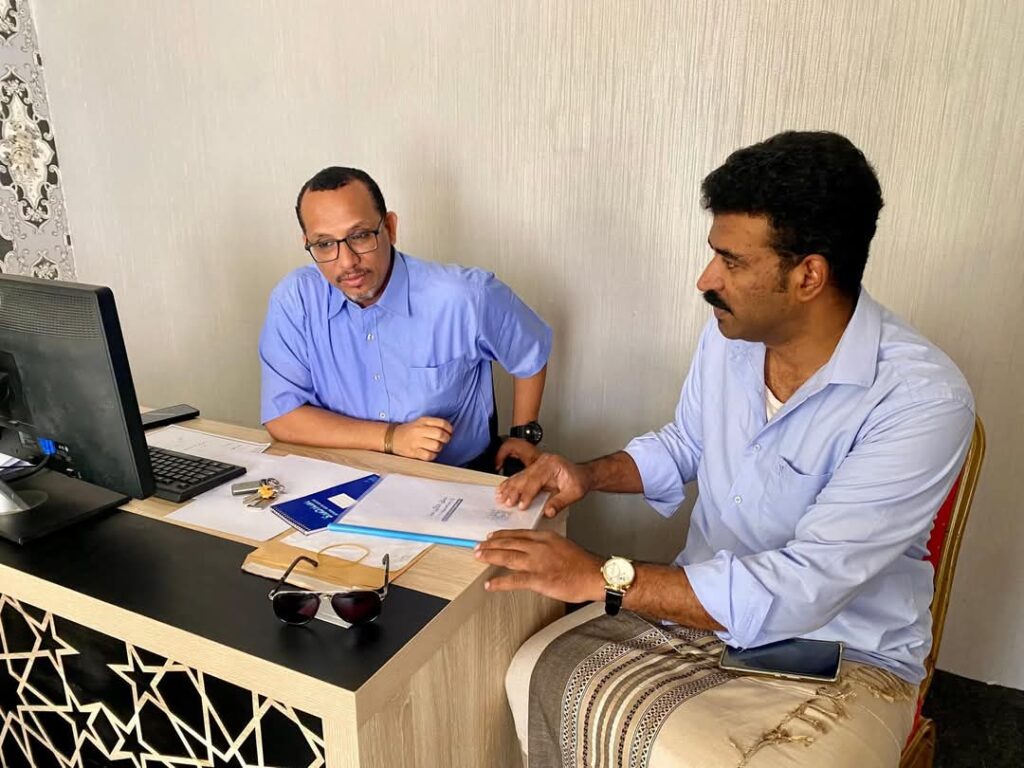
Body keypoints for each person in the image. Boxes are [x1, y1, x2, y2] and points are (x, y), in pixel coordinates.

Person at [476, 132, 975, 766]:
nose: (706, 280)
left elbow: (803, 588)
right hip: (701, 615)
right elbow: (687, 442)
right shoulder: (732, 334)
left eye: (732, 262)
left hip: (842, 653)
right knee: (532, 669)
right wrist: (586, 474)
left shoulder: (920, 399)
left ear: (809, 275)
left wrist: (600, 576)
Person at [259, 167, 551, 470]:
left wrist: (524, 435)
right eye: (324, 244)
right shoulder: (295, 300)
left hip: (453, 478)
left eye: (359, 236)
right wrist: (391, 437)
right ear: (307, 242)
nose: (347, 262)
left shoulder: (464, 296)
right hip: (341, 475)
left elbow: (529, 351)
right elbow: (282, 416)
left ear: (390, 227)